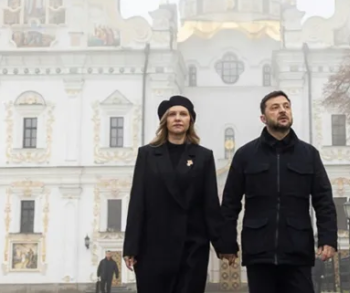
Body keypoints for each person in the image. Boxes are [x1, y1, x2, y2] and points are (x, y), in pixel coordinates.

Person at [219, 90, 338, 293]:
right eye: (275, 108)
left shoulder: (308, 155)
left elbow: (323, 199)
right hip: (259, 250)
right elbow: (230, 201)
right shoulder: (246, 155)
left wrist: (328, 238)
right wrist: (227, 242)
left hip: (297, 249)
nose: (282, 111)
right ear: (263, 118)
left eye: (286, 106)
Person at [123, 95, 226, 293]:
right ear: (165, 121)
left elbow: (210, 204)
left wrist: (223, 245)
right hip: (153, 246)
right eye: (172, 114)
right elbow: (137, 201)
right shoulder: (147, 154)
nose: (178, 118)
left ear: (190, 120)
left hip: (192, 246)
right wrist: (131, 247)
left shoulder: (203, 156)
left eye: (183, 114)